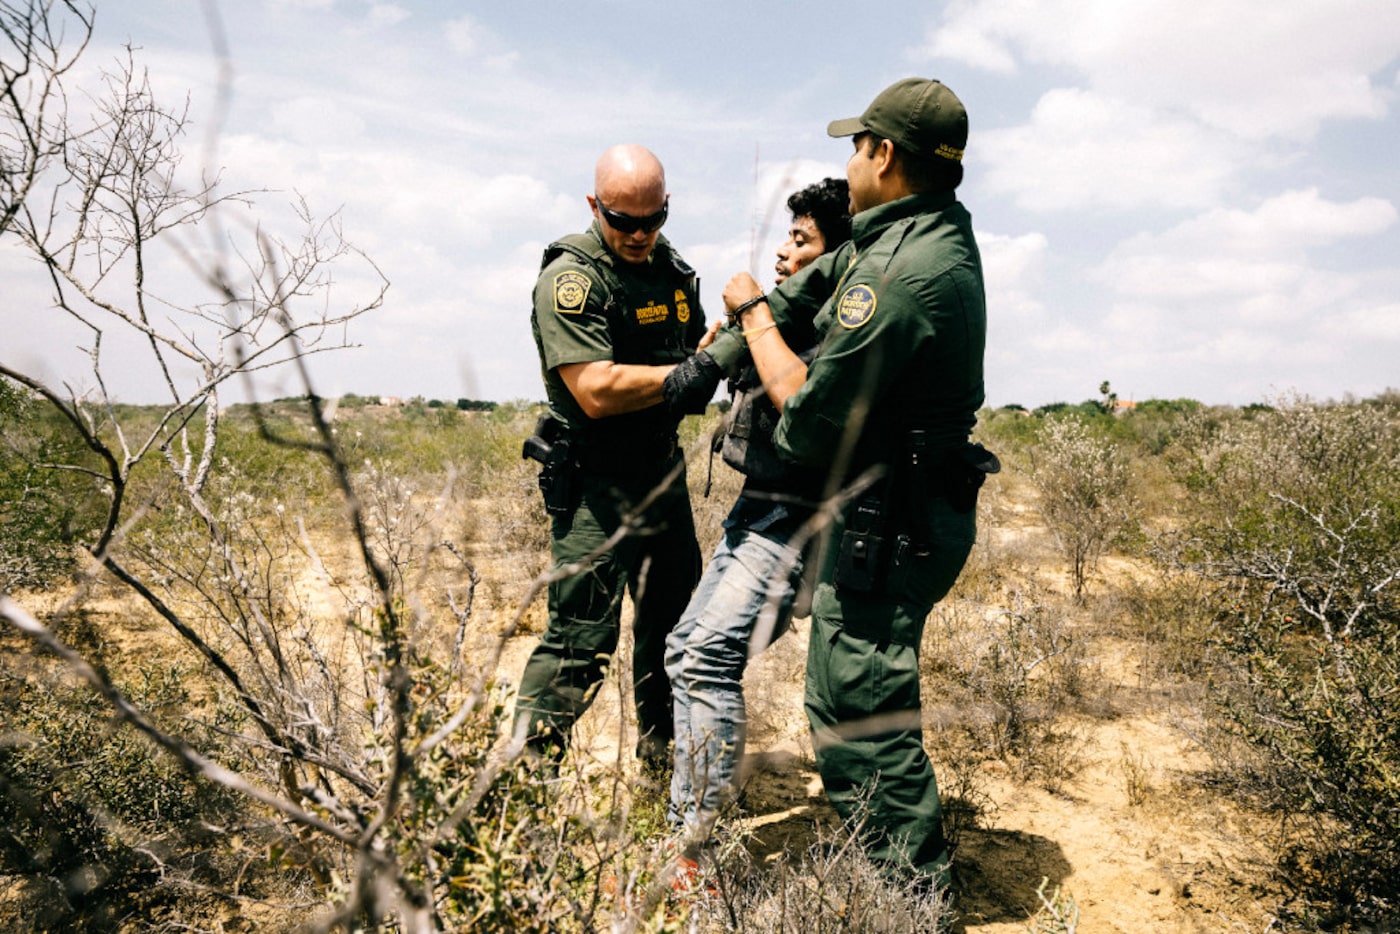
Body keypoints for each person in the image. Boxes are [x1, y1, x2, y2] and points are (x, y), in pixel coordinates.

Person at [718, 78, 997, 887]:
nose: (847, 163)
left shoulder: (902, 274)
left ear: (884, 154)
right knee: (847, 699)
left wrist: (753, 319)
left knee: (861, 713)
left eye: (855, 146)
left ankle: (911, 895)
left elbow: (806, 421)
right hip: (894, 503)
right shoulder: (908, 236)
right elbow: (820, 279)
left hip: (895, 516)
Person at [515, 144, 724, 772]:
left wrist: (713, 355)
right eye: (622, 220)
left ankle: (661, 769)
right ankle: (525, 788)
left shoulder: (673, 270)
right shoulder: (572, 278)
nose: (639, 234)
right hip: (596, 484)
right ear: (594, 206)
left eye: (652, 219)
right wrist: (684, 373)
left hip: (660, 473)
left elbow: (696, 357)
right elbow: (595, 390)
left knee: (673, 630)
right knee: (580, 640)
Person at [665, 178, 851, 848]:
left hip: (796, 517)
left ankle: (695, 850)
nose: (781, 254)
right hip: (759, 509)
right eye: (786, 236)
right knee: (686, 651)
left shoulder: (840, 326)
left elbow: (800, 402)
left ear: (834, 256)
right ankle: (686, 825)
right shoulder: (785, 320)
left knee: (707, 657)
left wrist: (753, 320)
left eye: (801, 241)